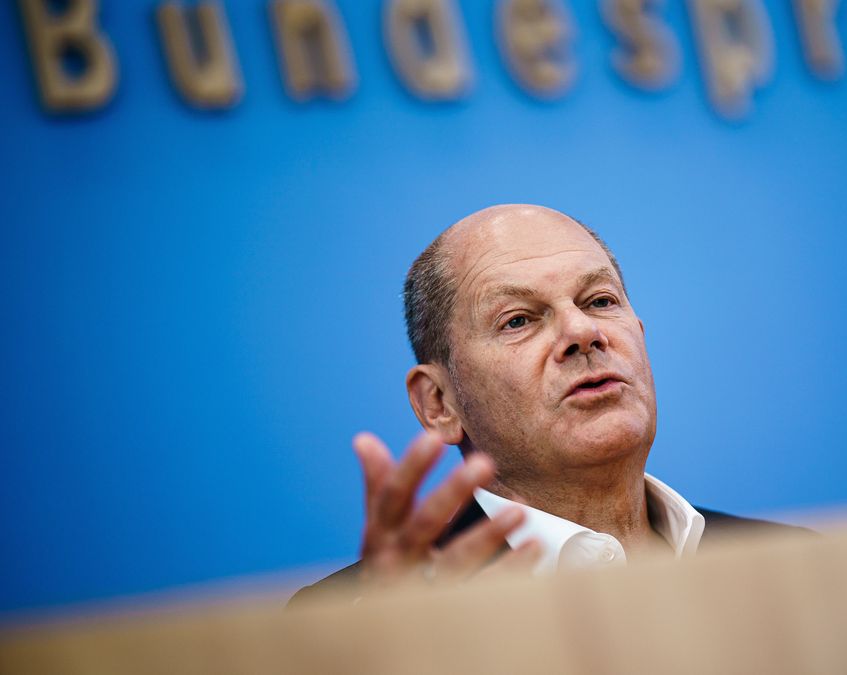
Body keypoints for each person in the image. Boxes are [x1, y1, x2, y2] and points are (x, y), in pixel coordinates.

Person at [291, 204, 797, 605]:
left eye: (600, 301)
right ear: (440, 403)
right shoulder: (372, 618)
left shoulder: (790, 563)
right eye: (518, 320)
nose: (583, 332)